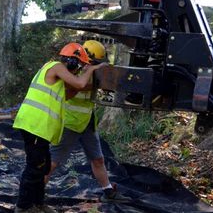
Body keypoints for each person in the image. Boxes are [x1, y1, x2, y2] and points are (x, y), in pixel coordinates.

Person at [12, 42, 108, 213]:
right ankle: (23, 207)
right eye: (78, 64)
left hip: (40, 127)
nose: (79, 69)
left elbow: (70, 92)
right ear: (72, 61)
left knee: (45, 165)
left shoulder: (56, 72)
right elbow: (78, 84)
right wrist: (90, 70)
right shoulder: (57, 67)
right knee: (34, 167)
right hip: (34, 125)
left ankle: (38, 203)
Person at [46, 40, 129, 203]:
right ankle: (33, 193)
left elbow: (107, 96)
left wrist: (108, 79)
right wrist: (92, 80)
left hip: (87, 123)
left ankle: (109, 192)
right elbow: (74, 87)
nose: (92, 65)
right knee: (53, 161)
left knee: (98, 159)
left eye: (96, 63)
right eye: (92, 63)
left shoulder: (95, 75)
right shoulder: (72, 72)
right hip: (70, 123)